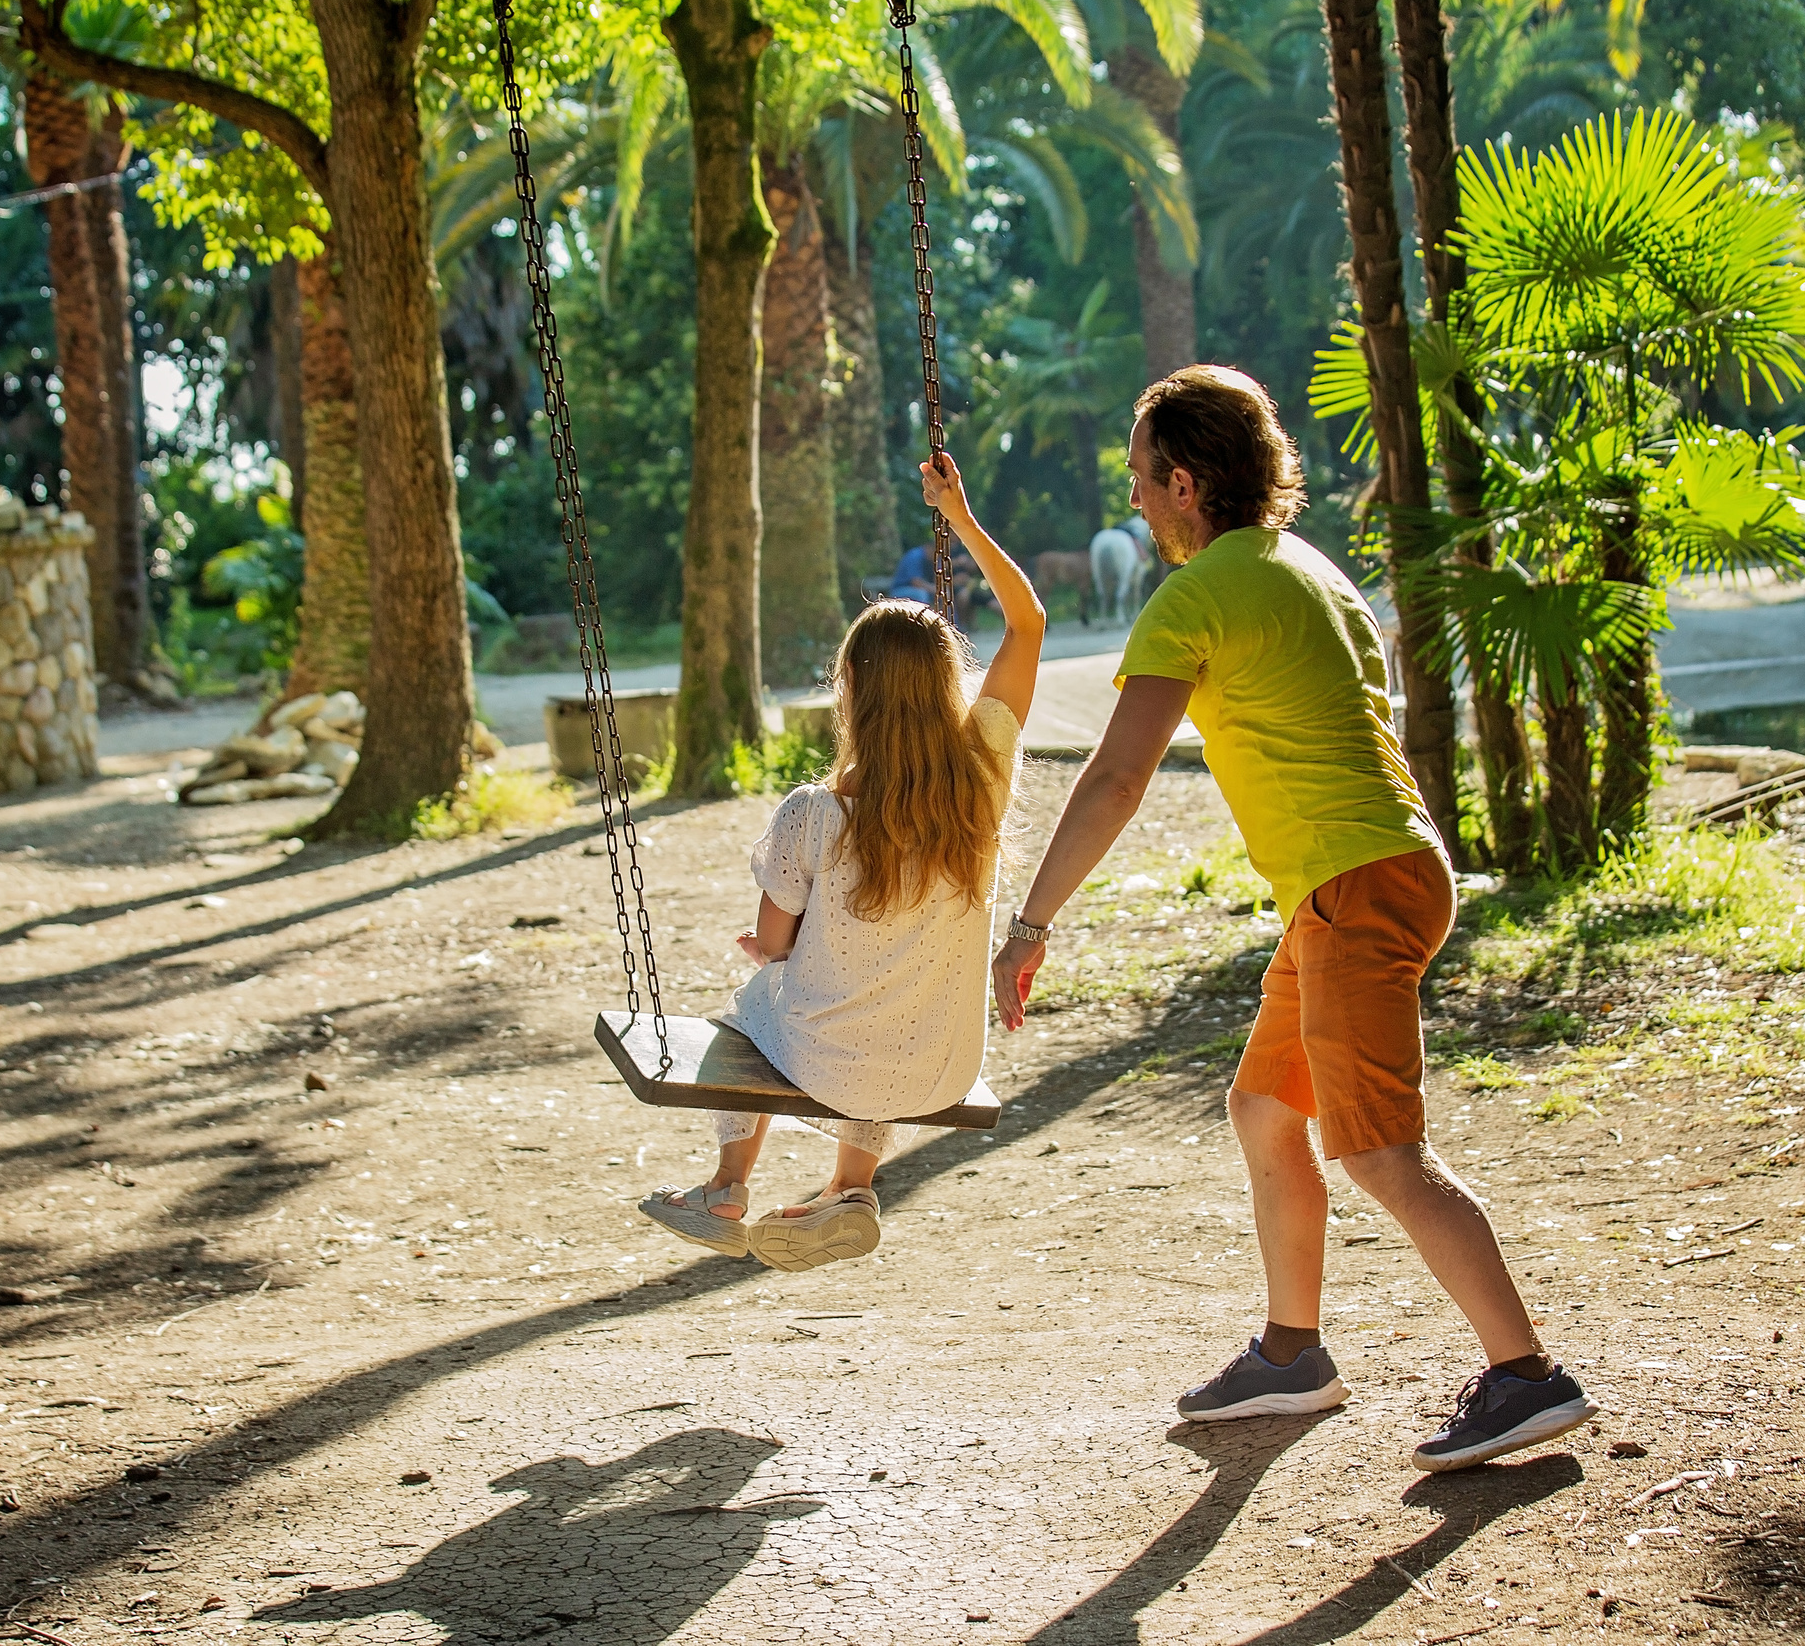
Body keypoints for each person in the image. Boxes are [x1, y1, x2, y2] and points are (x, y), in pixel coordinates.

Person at [990, 365, 1592, 1473]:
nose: (1134, 498)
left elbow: (1117, 777)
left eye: (1140, 476)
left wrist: (1030, 924)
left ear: (1184, 482)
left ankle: (1526, 1374)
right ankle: (1290, 1353)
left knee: (1382, 1153)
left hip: (1353, 885)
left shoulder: (1196, 596)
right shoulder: (1310, 569)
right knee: (1267, 1109)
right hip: (1370, 876)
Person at [640, 453, 1043, 1272]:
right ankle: (851, 1186)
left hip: (833, 1063)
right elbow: (1028, 622)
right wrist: (961, 519)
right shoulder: (983, 777)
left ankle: (725, 1188)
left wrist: (772, 953)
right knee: (890, 996)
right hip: (945, 1069)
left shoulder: (814, 813)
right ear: (949, 685)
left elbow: (774, 943)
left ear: (851, 683)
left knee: (754, 999)